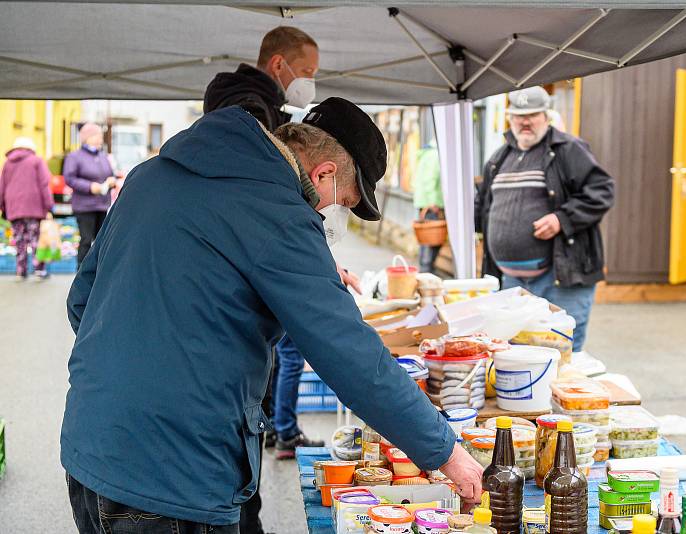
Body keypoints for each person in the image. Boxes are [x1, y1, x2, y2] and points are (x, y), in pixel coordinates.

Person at [62, 98, 484, 534]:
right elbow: (350, 355)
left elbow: (82, 302)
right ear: (324, 174)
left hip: (89, 446)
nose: (324, 215)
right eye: (337, 205)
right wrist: (445, 451)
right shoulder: (280, 213)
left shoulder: (149, 175)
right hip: (174, 474)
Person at [203, 25, 324, 533]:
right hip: (179, 461)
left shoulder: (247, 107)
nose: (310, 83)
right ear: (280, 65)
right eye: (308, 73)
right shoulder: (250, 113)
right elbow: (256, 212)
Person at [475, 86, 614, 352]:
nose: (525, 121)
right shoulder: (499, 157)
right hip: (512, 282)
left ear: (546, 116)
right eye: (519, 115)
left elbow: (602, 190)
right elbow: (483, 206)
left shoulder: (568, 149)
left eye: (532, 114)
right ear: (510, 118)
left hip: (561, 277)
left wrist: (562, 219)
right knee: (516, 354)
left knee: (560, 351)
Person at [63, 123, 118, 265]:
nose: (100, 138)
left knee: (102, 241)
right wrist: (90, 187)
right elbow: (70, 178)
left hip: (102, 205)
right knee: (86, 240)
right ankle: (81, 273)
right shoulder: (74, 157)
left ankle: (99, 272)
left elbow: (111, 173)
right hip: (84, 206)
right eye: (97, 135)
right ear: (87, 138)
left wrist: (111, 180)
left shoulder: (103, 156)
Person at [0, 137, 54, 280]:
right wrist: (49, 205)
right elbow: (44, 184)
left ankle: (20, 270)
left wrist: (2, 206)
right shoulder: (36, 161)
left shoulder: (7, 163)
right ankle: (39, 270)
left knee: (19, 239)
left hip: (13, 207)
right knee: (35, 238)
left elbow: (2, 186)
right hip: (33, 206)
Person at [413, 142, 444, 274]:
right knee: (430, 244)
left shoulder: (427, 154)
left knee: (427, 241)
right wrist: (433, 202)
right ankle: (426, 275)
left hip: (424, 204)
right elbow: (430, 180)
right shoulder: (435, 155)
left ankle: (426, 273)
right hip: (431, 206)